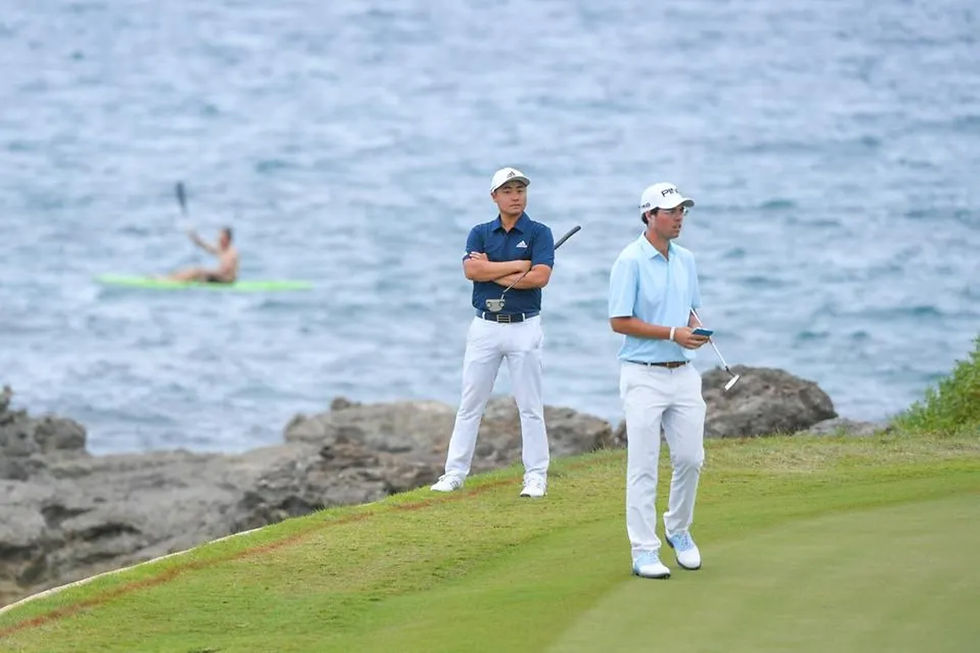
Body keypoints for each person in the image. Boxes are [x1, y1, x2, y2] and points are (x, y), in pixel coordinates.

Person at [430, 167, 556, 498]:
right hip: (485, 326)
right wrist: (517, 266)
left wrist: (490, 272)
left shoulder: (539, 233)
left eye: (520, 190)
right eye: (508, 190)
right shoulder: (480, 233)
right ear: (494, 196)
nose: (516, 196)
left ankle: (536, 474)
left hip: (525, 326)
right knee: (471, 402)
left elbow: (540, 277)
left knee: (530, 405)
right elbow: (471, 269)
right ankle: (454, 473)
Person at [608, 181, 710, 579]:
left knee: (690, 458)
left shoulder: (686, 259)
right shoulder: (629, 261)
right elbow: (619, 321)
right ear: (649, 216)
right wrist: (672, 334)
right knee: (644, 463)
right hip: (642, 375)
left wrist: (696, 329)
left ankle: (678, 529)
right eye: (671, 212)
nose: (679, 217)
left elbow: (689, 310)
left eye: (683, 211)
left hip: (683, 373)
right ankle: (643, 549)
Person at [167, 227, 239, 283]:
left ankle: (172, 281)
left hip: (226, 280)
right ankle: (170, 278)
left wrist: (205, 273)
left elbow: (224, 272)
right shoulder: (222, 249)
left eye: (222, 237)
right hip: (220, 277)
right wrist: (195, 238)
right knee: (195, 270)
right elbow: (206, 246)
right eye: (219, 236)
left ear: (227, 239)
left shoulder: (231, 252)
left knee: (196, 271)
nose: (219, 239)